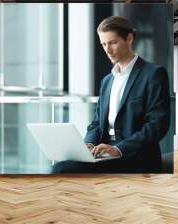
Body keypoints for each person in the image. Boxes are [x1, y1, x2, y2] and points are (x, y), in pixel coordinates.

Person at [52, 16, 170, 173]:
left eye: (113, 42)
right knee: (61, 166)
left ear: (129, 38)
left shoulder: (153, 74)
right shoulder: (107, 81)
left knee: (62, 169)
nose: (107, 50)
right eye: (103, 44)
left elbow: (157, 124)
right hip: (105, 152)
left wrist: (119, 149)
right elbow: (96, 123)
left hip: (136, 156)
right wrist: (89, 144)